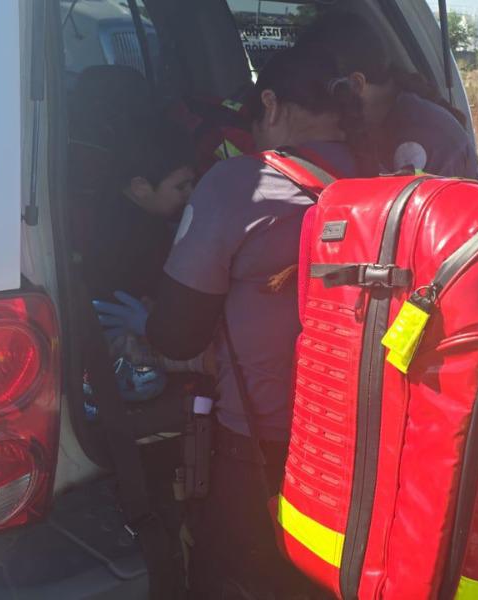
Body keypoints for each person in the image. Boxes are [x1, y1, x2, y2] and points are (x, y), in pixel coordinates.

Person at [95, 45, 358, 598]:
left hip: (260, 446)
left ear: (270, 103)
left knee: (241, 574)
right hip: (365, 441)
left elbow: (177, 333)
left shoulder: (240, 183)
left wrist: (147, 322)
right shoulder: (390, 181)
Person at [295, 11, 478, 179]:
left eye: (316, 91)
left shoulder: (424, 138)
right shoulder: (378, 121)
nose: (308, 105)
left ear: (356, 83)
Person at [82, 116, 196, 303]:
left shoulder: (113, 204)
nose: (191, 193)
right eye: (181, 187)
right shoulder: (127, 241)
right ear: (140, 187)